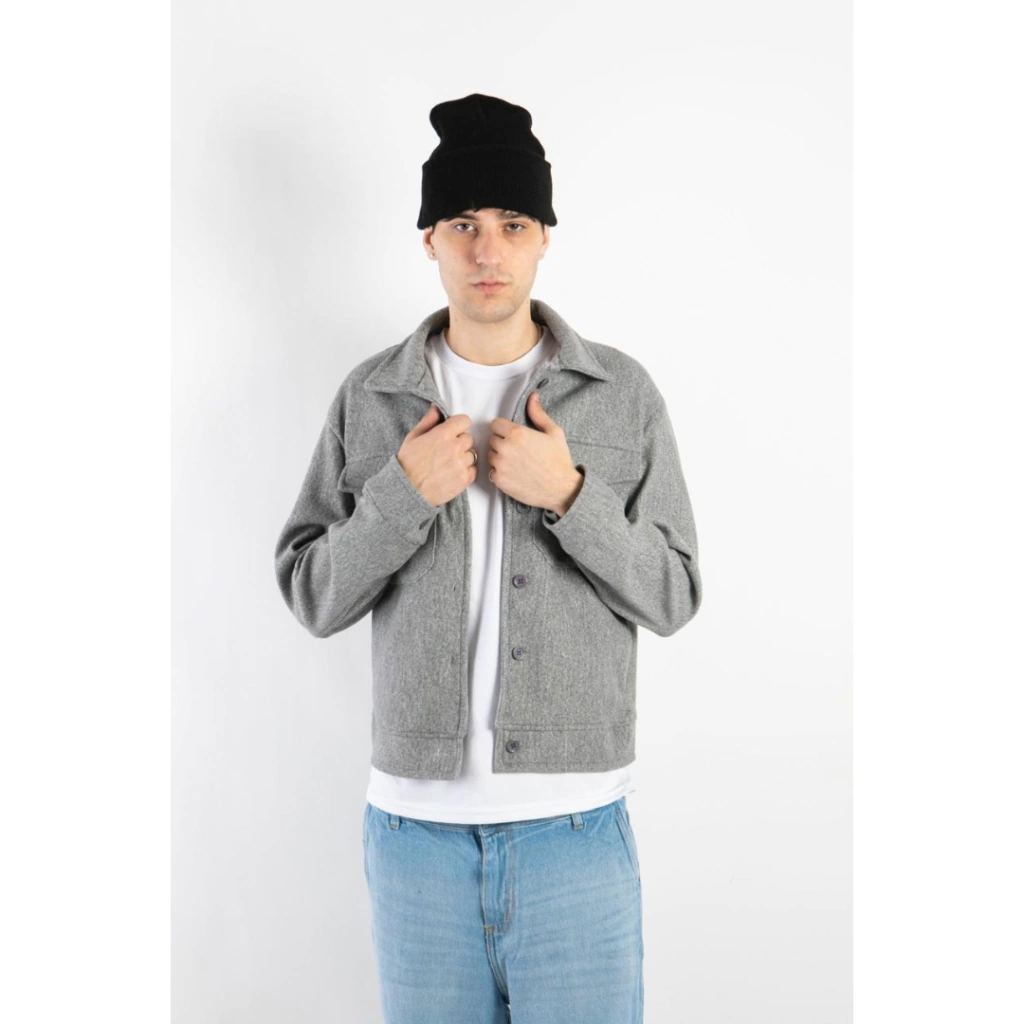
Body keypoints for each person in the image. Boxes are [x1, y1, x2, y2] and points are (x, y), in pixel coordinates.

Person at [274, 92, 702, 1023]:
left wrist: (572, 496)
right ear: (428, 239)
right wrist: (401, 496)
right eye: (463, 225)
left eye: (512, 224)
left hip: (575, 834)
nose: (487, 251)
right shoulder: (370, 397)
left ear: (544, 237)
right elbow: (312, 593)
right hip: (415, 842)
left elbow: (674, 593)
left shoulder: (621, 393)